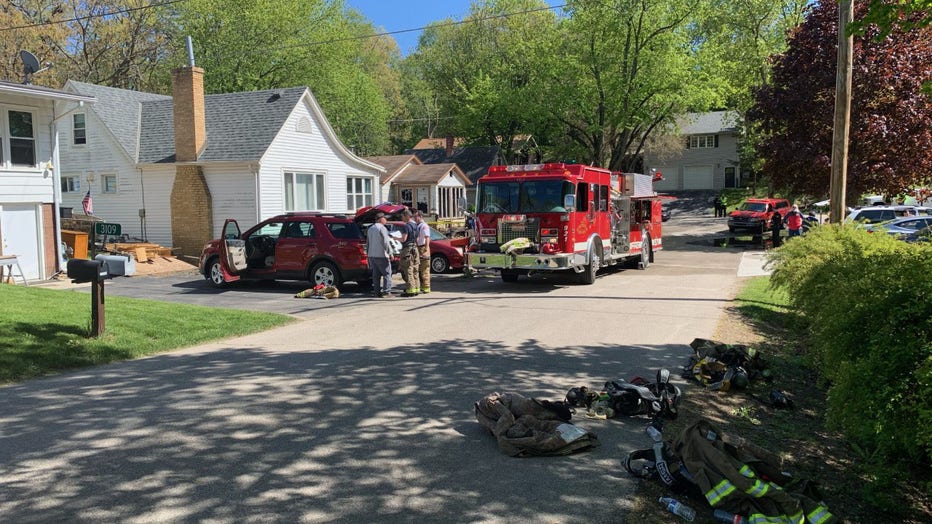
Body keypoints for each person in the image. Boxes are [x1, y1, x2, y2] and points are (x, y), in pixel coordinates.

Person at [365, 212, 394, 297]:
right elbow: (386, 242)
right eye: (385, 218)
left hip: (372, 255)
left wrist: (368, 255)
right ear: (380, 219)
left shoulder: (370, 228)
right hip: (382, 255)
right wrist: (390, 253)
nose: (386, 220)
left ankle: (377, 292)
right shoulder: (382, 228)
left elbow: (368, 243)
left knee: (376, 275)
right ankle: (386, 291)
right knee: (387, 274)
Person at [398, 208, 420, 297]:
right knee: (415, 269)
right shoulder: (416, 225)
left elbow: (404, 239)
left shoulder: (406, 226)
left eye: (402, 217)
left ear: (407, 216)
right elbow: (417, 239)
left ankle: (410, 290)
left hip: (407, 249)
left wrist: (395, 238)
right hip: (415, 248)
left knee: (408, 269)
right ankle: (416, 288)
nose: (402, 219)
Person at [414, 210, 431, 294]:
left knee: (424, 268)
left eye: (415, 217)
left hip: (423, 247)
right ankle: (422, 286)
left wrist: (426, 249)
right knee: (420, 268)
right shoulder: (418, 226)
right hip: (418, 247)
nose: (414, 218)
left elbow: (427, 237)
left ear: (420, 216)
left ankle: (426, 287)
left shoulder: (424, 226)